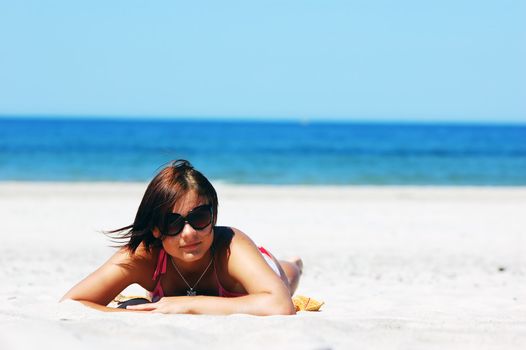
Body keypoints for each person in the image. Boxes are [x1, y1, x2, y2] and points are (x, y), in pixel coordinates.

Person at [61, 159, 303, 315]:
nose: (189, 233)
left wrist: (185, 304)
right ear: (156, 229)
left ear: (214, 215)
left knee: (287, 276)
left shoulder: (231, 245)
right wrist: (136, 314)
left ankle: (293, 263)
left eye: (199, 218)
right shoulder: (142, 257)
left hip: (260, 265)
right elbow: (73, 302)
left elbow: (281, 305)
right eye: (172, 223)